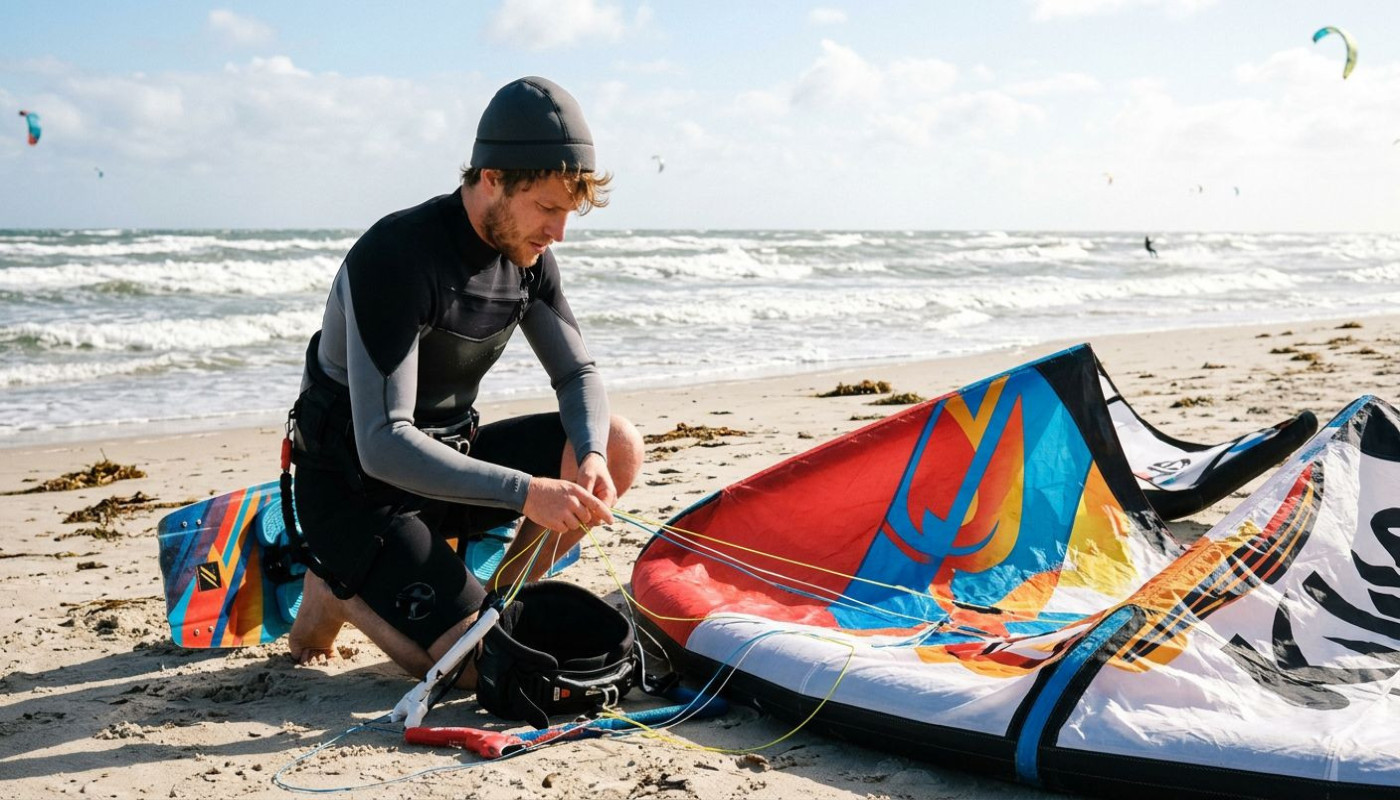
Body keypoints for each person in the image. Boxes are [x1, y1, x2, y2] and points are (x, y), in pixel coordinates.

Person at [285, 76, 643, 688]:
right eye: (548, 208)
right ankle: (334, 590)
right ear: (492, 179)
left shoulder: (526, 258)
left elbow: (577, 372)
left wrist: (586, 454)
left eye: (567, 212)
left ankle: (498, 604)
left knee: (616, 442)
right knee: (477, 672)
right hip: (356, 491)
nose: (559, 232)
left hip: (447, 467)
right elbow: (383, 440)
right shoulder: (397, 258)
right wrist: (528, 492)